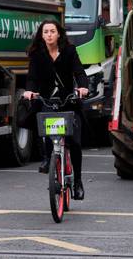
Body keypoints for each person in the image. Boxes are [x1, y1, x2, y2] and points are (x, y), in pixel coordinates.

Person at [23, 20, 89, 200]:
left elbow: (79, 73)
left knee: (74, 142)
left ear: (59, 34)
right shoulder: (37, 54)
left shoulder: (69, 51)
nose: (49, 34)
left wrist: (83, 88)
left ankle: (77, 182)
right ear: (42, 35)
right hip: (47, 98)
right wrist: (29, 91)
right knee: (45, 127)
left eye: (53, 31)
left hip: (68, 100)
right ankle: (48, 158)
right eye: (46, 31)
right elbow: (32, 77)